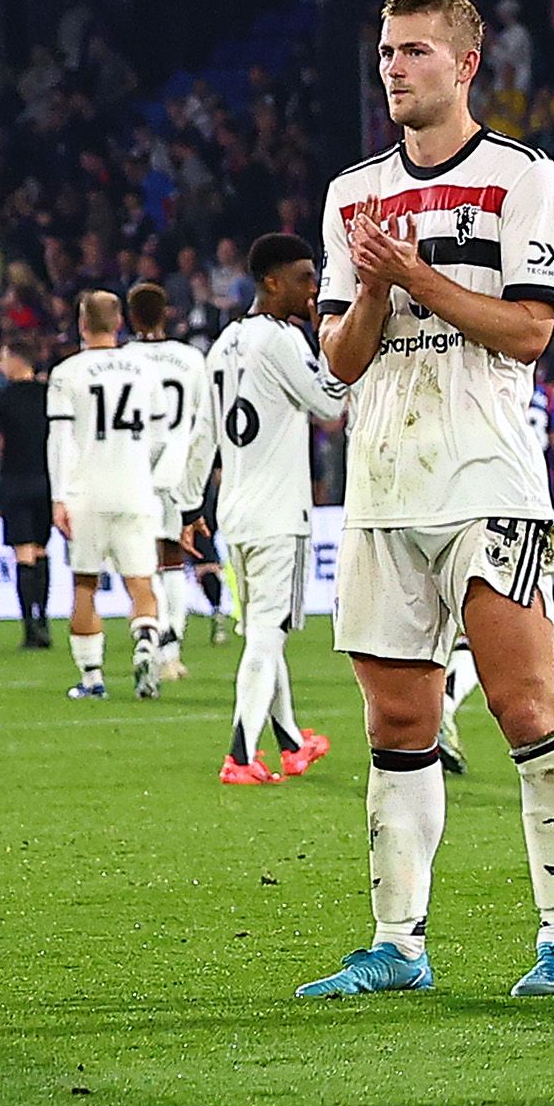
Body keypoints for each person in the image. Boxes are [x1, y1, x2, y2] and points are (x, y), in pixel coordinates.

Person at [300, 0, 554, 1002]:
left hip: (488, 476)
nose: (394, 67)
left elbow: (528, 330)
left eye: (415, 50)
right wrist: (376, 283)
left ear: (466, 64)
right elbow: (339, 361)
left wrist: (418, 276)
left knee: (524, 703)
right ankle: (399, 944)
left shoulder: (524, 177)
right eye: (386, 51)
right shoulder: (352, 193)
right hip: (383, 480)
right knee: (396, 722)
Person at [196, 232, 348, 785]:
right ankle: (240, 754)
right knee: (265, 637)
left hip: (236, 511)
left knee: (265, 632)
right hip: (280, 515)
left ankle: (290, 743)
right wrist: (335, 345)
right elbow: (329, 402)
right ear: (271, 282)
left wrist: (192, 506)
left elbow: (203, 431)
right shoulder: (282, 340)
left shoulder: (223, 343)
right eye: (305, 277)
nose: (313, 289)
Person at [45, 289, 171, 701]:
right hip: (135, 489)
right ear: (119, 323)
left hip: (87, 494)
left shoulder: (67, 373)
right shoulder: (143, 370)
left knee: (85, 583)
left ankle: (92, 678)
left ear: (82, 324)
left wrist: (59, 496)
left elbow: (60, 440)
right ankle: (147, 645)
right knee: (141, 582)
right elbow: (157, 438)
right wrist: (139, 469)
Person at [125, 282, 214, 662]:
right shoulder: (191, 358)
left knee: (146, 560)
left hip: (137, 468)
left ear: (131, 317)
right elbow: (205, 418)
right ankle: (172, 648)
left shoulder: (122, 358)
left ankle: (156, 632)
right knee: (175, 554)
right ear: (166, 314)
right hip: (180, 467)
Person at [0, 343, 57, 650]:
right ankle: (44, 618)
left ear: (16, 360)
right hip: (47, 482)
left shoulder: (3, 398)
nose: (1, 365)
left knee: (23, 553)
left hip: (16, 482)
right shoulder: (48, 395)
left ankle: (29, 627)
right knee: (41, 550)